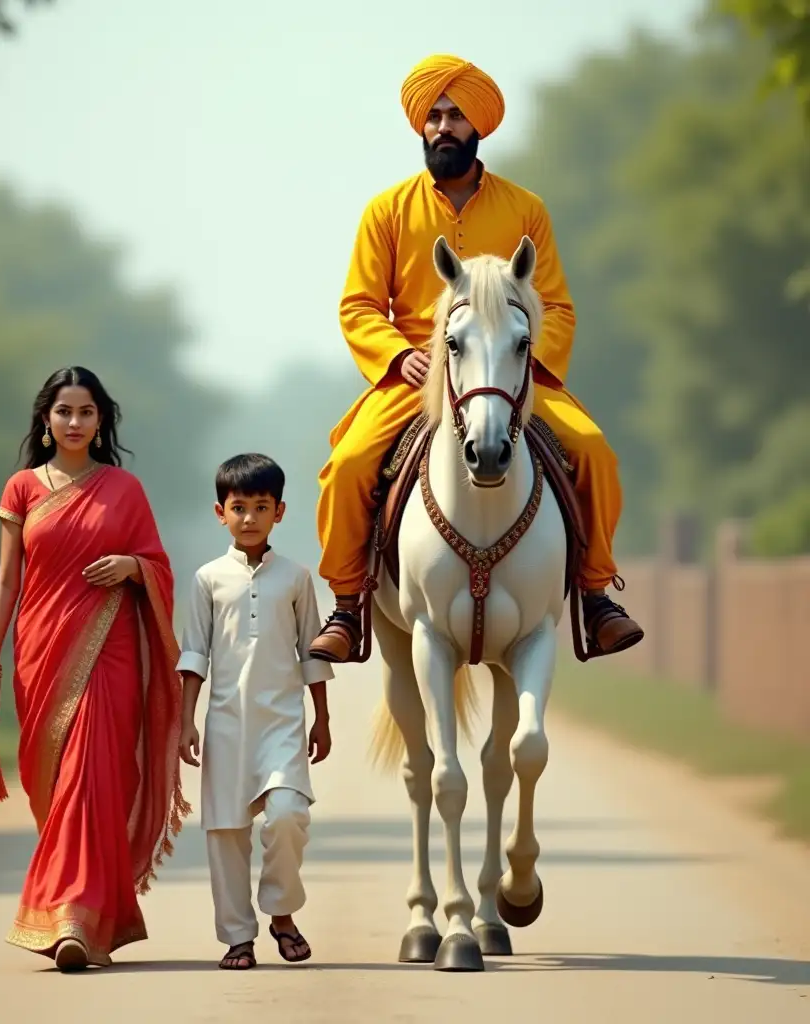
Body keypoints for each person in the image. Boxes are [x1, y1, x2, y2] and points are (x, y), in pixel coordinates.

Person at [309, 53, 645, 664]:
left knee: (594, 449)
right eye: (433, 116)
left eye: (455, 116)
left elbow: (559, 309)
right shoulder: (386, 211)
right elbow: (358, 305)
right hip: (414, 377)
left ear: (479, 127)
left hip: (511, 376)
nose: (442, 127)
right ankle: (347, 606)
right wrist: (396, 355)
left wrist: (519, 363)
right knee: (349, 462)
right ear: (420, 125)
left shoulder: (526, 210)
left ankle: (596, 596)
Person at [0, 365, 189, 973]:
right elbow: (6, 580)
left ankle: (73, 918)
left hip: (112, 650)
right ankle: (90, 914)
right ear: (46, 419)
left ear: (101, 421)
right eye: (64, 411)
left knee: (93, 779)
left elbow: (158, 563)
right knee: (56, 783)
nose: (75, 422)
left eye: (87, 412)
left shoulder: (124, 489)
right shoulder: (21, 488)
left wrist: (132, 566)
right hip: (39, 650)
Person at [177, 454, 333, 971]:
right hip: (225, 724)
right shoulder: (207, 579)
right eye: (238, 507)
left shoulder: (296, 577)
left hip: (283, 723)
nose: (249, 518)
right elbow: (194, 655)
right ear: (219, 512)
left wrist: (323, 718)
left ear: (280, 512)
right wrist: (185, 722)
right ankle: (237, 937)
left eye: (260, 507)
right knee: (225, 834)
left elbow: (312, 651)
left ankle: (282, 913)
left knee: (288, 816)